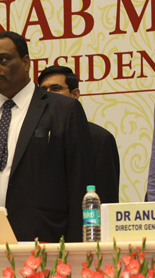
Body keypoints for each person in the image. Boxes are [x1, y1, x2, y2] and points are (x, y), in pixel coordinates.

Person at [0, 31, 95, 243]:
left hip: (42, 242)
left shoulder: (63, 110)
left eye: (3, 59)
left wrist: (77, 251)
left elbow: (80, 184)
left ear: (25, 62)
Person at [38, 65, 120, 203]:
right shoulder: (33, 137)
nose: (48, 95)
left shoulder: (100, 139)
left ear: (75, 94)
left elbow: (106, 198)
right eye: (43, 91)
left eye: (56, 88)